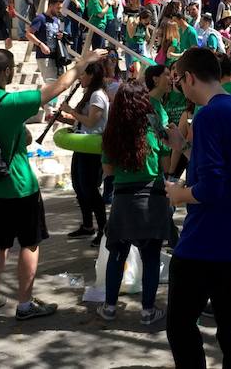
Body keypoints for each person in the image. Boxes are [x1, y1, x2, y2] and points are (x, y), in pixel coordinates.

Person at [0, 48, 101, 320]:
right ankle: (25, 304)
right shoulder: (11, 102)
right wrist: (83, 62)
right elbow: (57, 88)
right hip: (19, 185)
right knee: (30, 244)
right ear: (8, 71)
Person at [164, 48, 231, 368]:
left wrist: (179, 195)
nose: (180, 86)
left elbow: (212, 187)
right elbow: (229, 172)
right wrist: (184, 146)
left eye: (179, 80)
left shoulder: (207, 115)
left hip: (203, 242)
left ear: (190, 77)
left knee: (180, 325)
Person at [97, 82, 172, 325]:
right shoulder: (154, 129)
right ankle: (148, 312)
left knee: (117, 254)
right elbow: (167, 167)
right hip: (152, 198)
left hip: (123, 200)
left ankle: (109, 307)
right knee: (150, 256)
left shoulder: (111, 132)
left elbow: (107, 171)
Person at [61, 62, 109, 247]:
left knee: (90, 189)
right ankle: (87, 225)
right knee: (79, 186)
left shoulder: (97, 95)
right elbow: (82, 123)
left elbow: (91, 121)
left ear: (91, 75)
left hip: (92, 149)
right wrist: (63, 118)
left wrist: (70, 111)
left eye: (82, 74)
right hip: (82, 146)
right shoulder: (89, 94)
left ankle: (103, 229)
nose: (80, 78)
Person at [27, 0, 66, 110]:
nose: (59, 10)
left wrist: (60, 35)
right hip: (44, 56)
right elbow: (29, 33)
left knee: (57, 83)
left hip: (56, 56)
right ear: (50, 6)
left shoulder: (57, 20)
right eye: (58, 8)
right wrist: (40, 44)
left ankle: (49, 105)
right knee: (51, 82)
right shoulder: (40, 18)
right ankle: (48, 107)